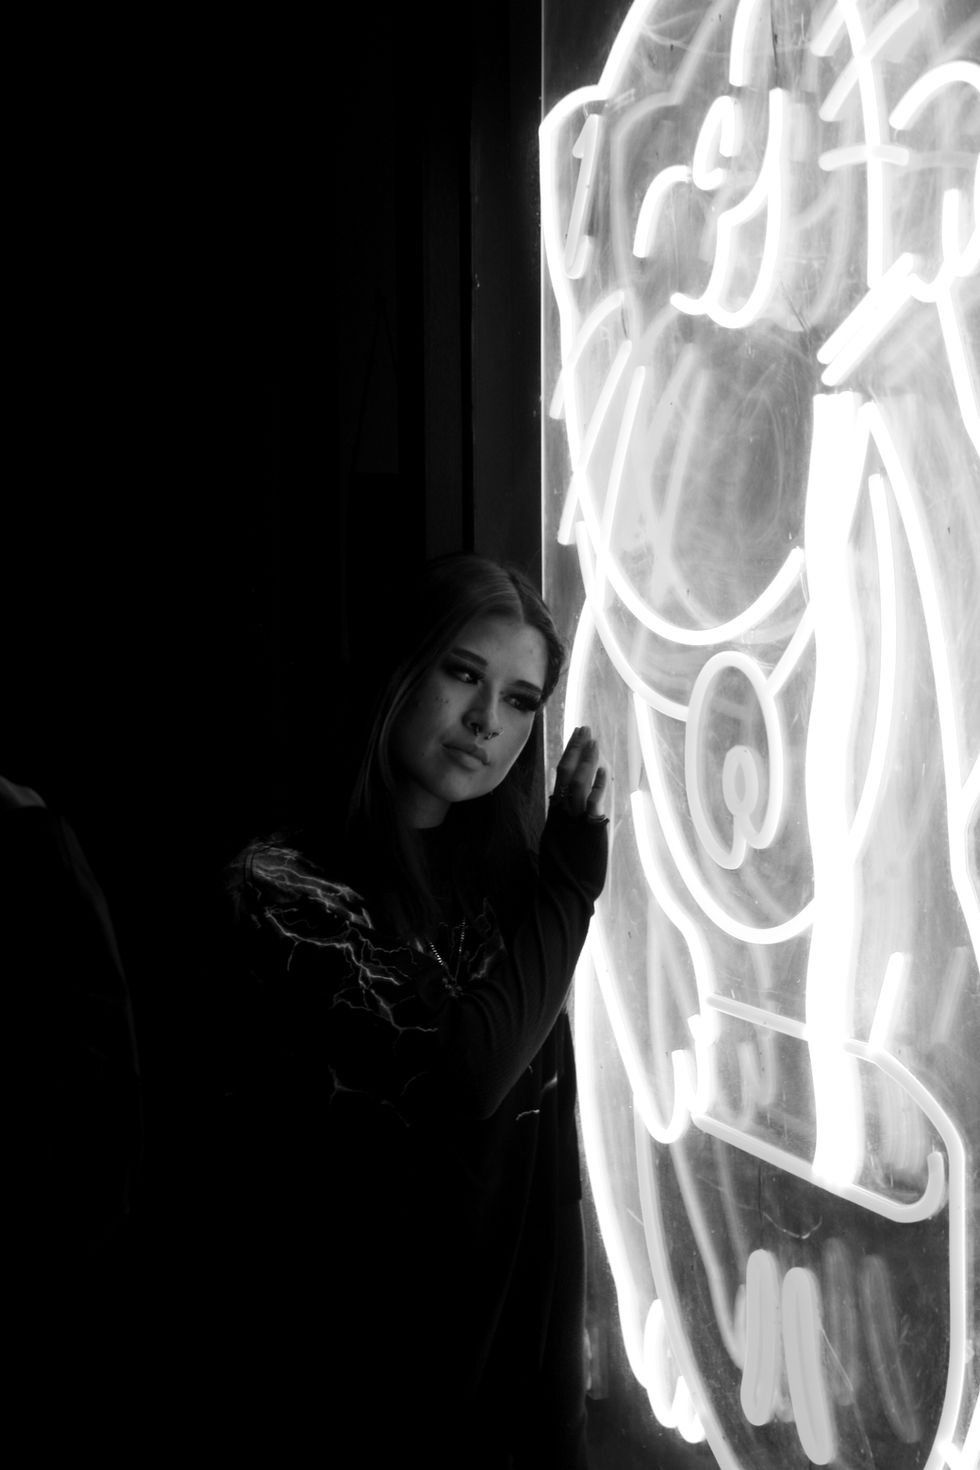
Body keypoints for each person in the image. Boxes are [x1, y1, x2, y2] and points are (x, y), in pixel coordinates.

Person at [214, 555, 607, 1465]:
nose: (486, 722)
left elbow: (543, 1169)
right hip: (357, 1399)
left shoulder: (509, 892)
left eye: (520, 701)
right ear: (402, 669)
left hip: (517, 1405)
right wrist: (573, 890)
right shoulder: (281, 889)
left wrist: (562, 1417)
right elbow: (462, 1076)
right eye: (464, 674)